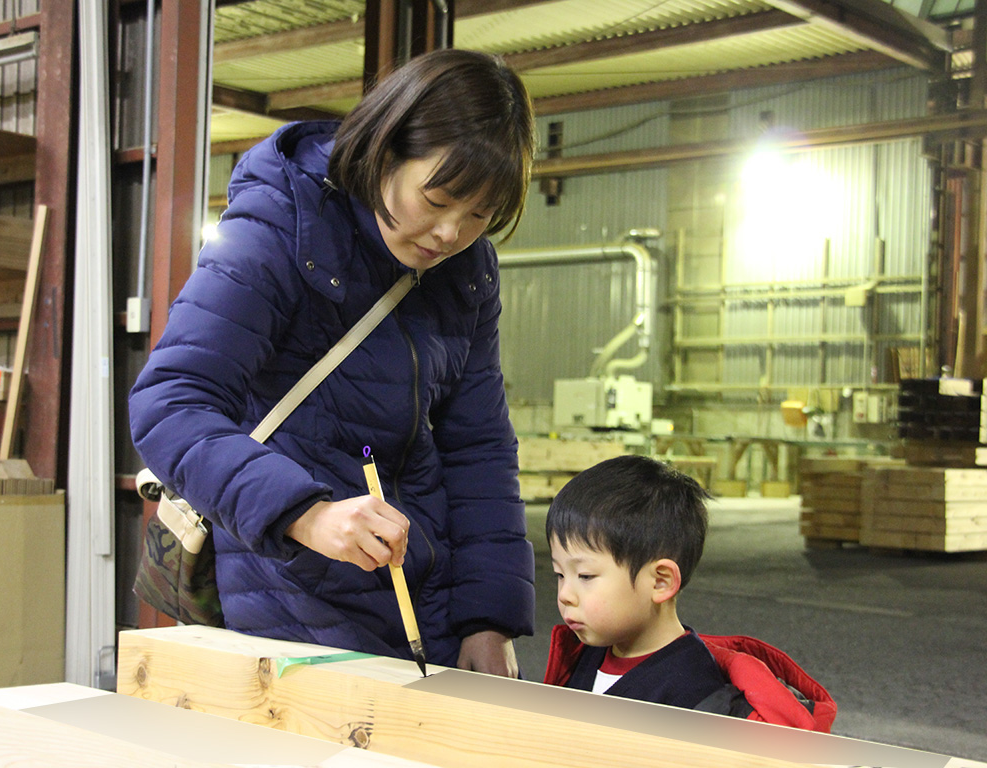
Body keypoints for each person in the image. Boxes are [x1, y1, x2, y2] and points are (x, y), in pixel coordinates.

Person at [128, 48, 536, 677]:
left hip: (422, 594)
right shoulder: (280, 224)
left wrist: (489, 617)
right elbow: (169, 401)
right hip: (283, 589)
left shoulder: (467, 272)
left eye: (479, 215)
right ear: (387, 148)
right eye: (438, 198)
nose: (450, 233)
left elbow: (478, 448)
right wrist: (306, 514)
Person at [544, 455, 837, 731]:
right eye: (560, 574)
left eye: (585, 576)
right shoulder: (585, 655)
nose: (565, 595)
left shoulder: (698, 697)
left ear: (660, 582)